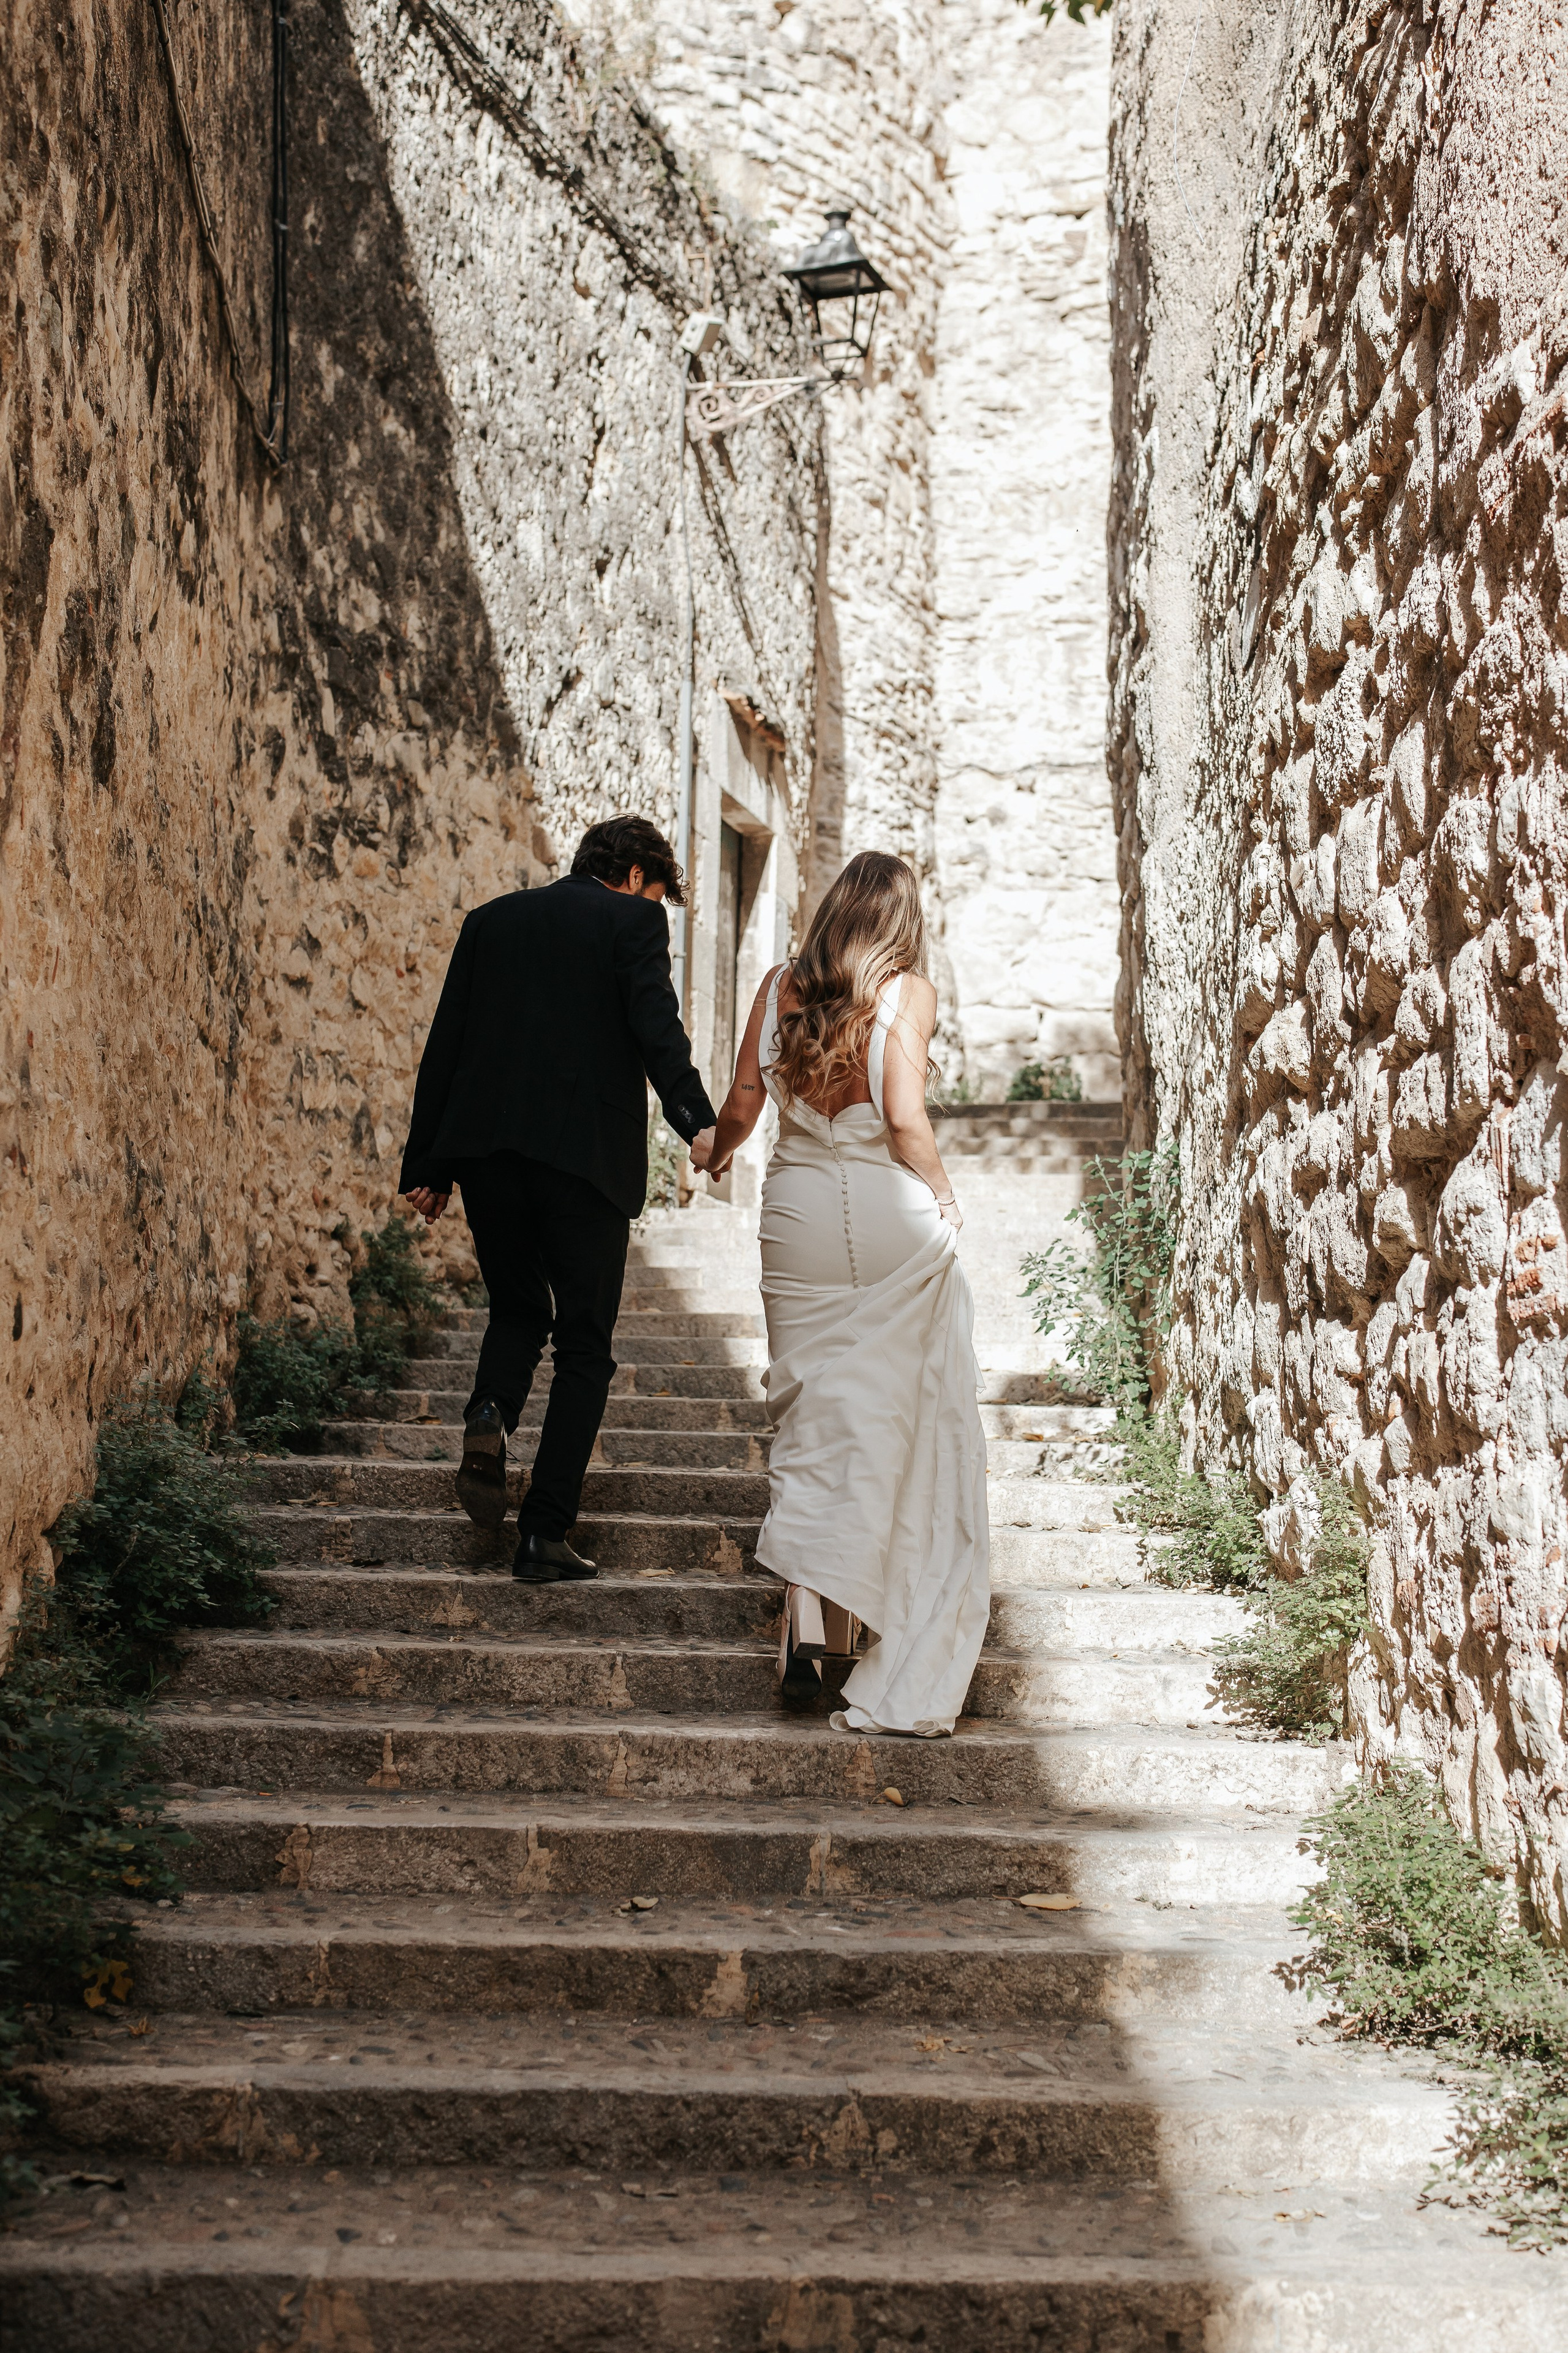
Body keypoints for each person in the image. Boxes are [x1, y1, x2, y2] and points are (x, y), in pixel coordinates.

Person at [704, 850, 990, 1736]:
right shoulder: (907, 992)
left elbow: (742, 1107)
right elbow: (903, 1116)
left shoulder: (777, 987)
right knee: (881, 1413)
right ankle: (842, 1610)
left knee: (811, 1407)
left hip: (796, 1216)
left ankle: (811, 1604)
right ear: (901, 921)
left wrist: (711, 1151)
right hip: (884, 1210)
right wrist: (944, 1194)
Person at [398, 815, 717, 1582]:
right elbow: (656, 1029)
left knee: (517, 1308)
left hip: (488, 1156)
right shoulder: (632, 921)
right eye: (656, 892)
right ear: (635, 876)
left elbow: (448, 1043)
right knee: (583, 1345)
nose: (654, 906)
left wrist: (429, 1165)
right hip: (584, 1161)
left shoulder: (490, 921)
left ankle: (490, 1411)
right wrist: (696, 1122)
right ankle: (543, 1532)